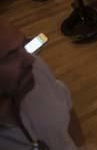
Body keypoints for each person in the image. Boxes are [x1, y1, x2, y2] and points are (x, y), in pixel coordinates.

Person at [0, 19, 85, 149]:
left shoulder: (35, 70)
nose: (30, 59)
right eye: (11, 55)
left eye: (23, 45)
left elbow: (65, 101)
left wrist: (82, 146)